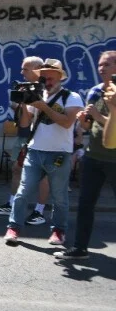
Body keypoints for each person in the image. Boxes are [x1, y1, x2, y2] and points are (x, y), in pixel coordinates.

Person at [4, 59, 83, 247]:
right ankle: (13, 227)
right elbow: (25, 124)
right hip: (35, 151)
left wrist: (43, 107)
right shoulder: (37, 96)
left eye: (50, 78)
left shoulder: (71, 97)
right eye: (44, 78)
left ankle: (58, 230)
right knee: (23, 192)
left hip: (59, 154)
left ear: (60, 77)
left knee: (59, 196)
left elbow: (67, 123)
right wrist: (25, 103)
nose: (46, 81)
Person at [55, 51, 116, 260]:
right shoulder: (96, 92)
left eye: (107, 64)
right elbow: (89, 126)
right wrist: (84, 122)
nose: (102, 68)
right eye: (100, 65)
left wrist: (98, 116)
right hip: (94, 156)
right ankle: (80, 248)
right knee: (85, 204)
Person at [0, 56, 51, 225]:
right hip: (24, 135)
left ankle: (39, 211)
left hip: (41, 139)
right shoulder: (27, 88)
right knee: (17, 169)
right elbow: (24, 117)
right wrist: (20, 103)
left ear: (37, 69)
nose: (22, 72)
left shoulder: (46, 90)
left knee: (43, 176)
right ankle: (12, 203)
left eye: (25, 69)